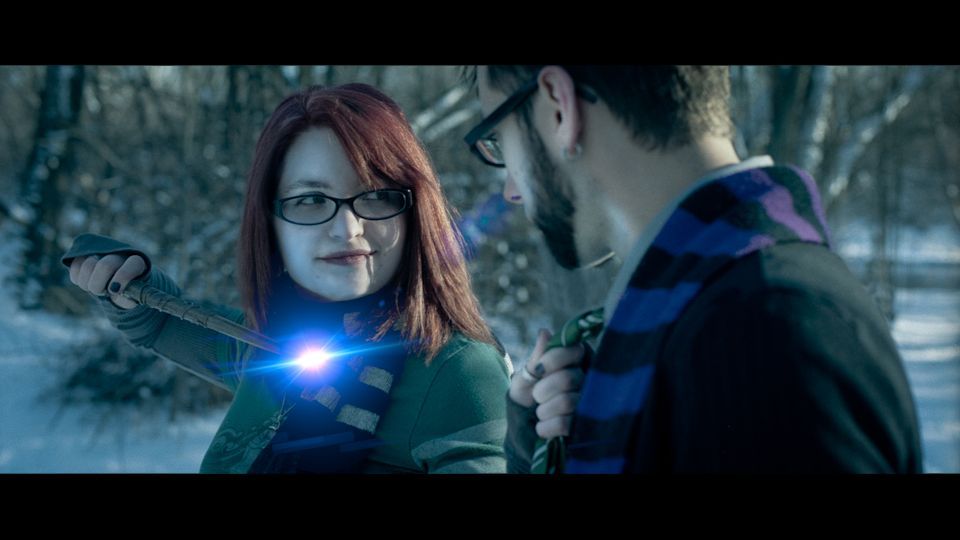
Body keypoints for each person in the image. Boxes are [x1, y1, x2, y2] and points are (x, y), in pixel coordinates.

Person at [464, 65, 923, 473]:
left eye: (501, 141)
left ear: (558, 105)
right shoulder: (706, 316)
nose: (511, 191)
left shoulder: (765, 327)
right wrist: (547, 449)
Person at [63, 83, 511, 474]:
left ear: (414, 211)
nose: (348, 228)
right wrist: (119, 272)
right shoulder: (273, 349)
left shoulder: (459, 372)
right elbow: (162, 322)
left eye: (376, 195)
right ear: (270, 224)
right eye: (311, 199)